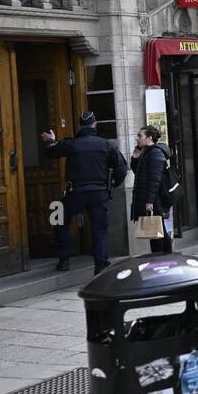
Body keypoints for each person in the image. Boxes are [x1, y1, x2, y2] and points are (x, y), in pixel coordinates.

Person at [42, 111, 127, 275]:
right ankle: (100, 265)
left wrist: (51, 141)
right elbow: (121, 167)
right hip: (99, 193)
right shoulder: (106, 145)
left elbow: (51, 151)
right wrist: (114, 183)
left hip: (75, 193)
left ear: (80, 126)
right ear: (95, 125)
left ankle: (64, 260)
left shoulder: (72, 144)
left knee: (58, 217)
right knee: (100, 229)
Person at [130, 125, 173, 253]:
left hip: (155, 200)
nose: (137, 138)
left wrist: (149, 201)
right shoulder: (146, 152)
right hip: (150, 198)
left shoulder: (155, 153)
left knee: (157, 232)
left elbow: (155, 180)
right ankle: (163, 258)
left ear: (149, 138)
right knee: (157, 231)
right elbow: (135, 169)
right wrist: (137, 151)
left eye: (140, 136)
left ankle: (162, 258)